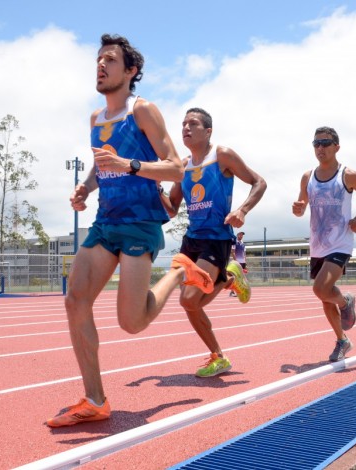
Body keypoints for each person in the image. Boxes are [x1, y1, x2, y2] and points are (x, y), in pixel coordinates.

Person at [46, 34, 214, 428]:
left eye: (110, 60)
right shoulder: (95, 119)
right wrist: (86, 187)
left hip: (139, 223)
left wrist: (130, 165)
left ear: (131, 70)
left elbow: (176, 166)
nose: (101, 66)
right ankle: (95, 399)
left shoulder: (143, 111)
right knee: (75, 300)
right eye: (98, 60)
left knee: (132, 322)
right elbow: (101, 164)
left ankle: (178, 271)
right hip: (106, 222)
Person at [162, 107, 266, 377]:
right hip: (191, 240)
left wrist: (242, 210)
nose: (185, 128)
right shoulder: (182, 166)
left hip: (216, 238)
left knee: (189, 300)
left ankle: (218, 353)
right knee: (189, 302)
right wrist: (154, 188)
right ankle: (227, 282)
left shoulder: (222, 155)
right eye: (183, 124)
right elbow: (172, 209)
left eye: (193, 124)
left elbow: (259, 182)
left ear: (208, 131)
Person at [292, 126, 356, 362]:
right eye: (316, 143)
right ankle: (342, 340)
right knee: (324, 295)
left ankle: (346, 301)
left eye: (325, 143)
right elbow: (301, 207)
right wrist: (298, 209)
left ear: (336, 147)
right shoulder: (307, 177)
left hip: (340, 243)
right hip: (318, 245)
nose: (320, 148)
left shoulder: (347, 175)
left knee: (320, 289)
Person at [228, 231, 247, 297]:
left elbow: (244, 254)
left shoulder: (243, 244)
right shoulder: (234, 243)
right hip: (237, 262)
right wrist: (236, 261)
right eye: (240, 234)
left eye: (242, 235)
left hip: (243, 262)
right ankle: (232, 292)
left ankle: (239, 291)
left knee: (242, 277)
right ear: (237, 235)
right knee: (235, 277)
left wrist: (245, 263)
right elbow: (232, 252)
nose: (241, 236)